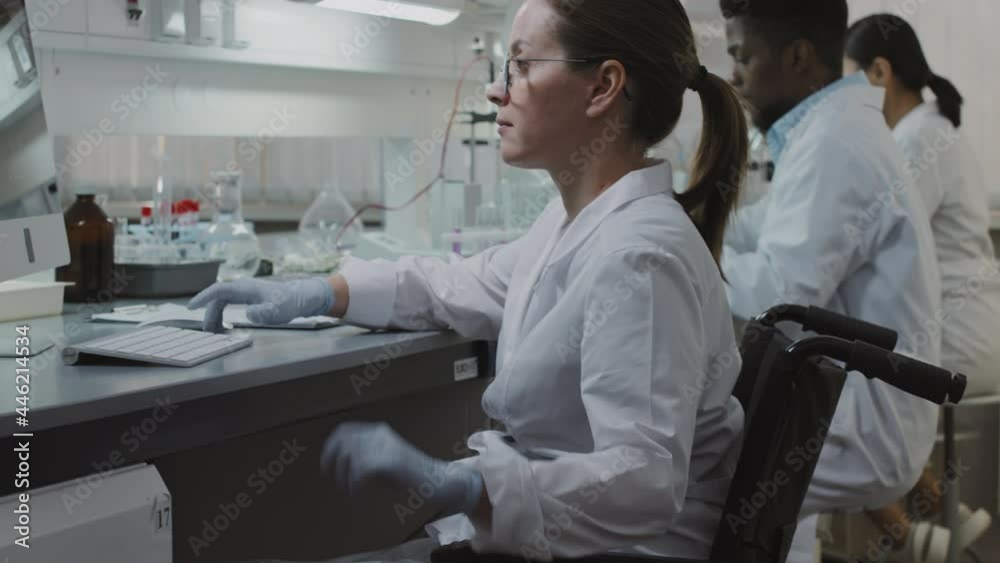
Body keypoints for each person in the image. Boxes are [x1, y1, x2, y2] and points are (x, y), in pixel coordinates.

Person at [190, 0, 751, 560]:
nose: (495, 90)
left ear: (602, 87)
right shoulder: (578, 223)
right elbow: (457, 285)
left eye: (522, 65)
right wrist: (321, 292)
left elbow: (643, 481)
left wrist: (468, 487)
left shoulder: (639, 257)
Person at [719, 1, 943, 562]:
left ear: (798, 57)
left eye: (743, 57)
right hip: (856, 400)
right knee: (739, 479)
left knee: (695, 473)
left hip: (867, 420)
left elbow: (778, 291)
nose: (734, 76)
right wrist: (695, 219)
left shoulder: (835, 142)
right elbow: (761, 226)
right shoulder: (830, 130)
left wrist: (688, 261)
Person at [844, 14, 998, 562]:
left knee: (832, 377)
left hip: (956, 336)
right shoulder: (930, 131)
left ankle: (909, 536)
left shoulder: (916, 141)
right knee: (848, 368)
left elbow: (866, 240)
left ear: (879, 73)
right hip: (972, 325)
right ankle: (936, 508)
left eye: (849, 81)